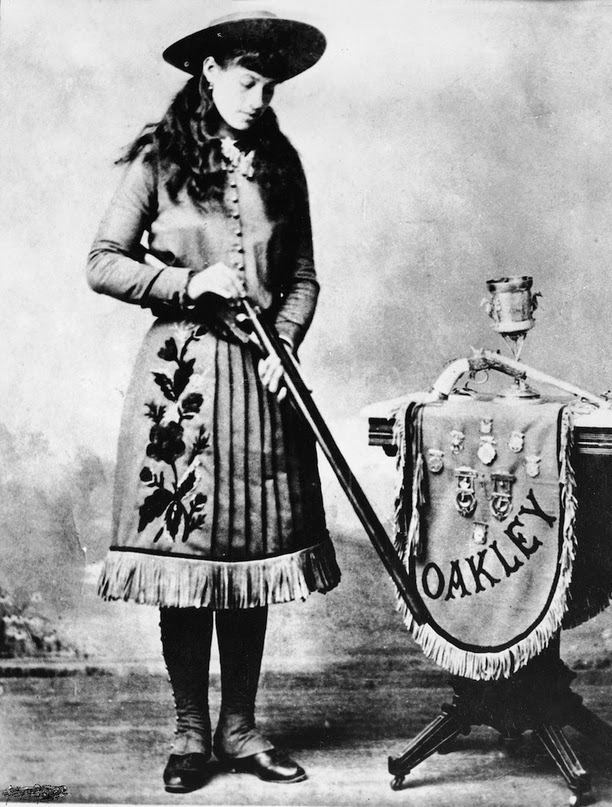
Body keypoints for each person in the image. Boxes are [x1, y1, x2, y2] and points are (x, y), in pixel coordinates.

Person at [86, 10, 340, 793]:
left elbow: (301, 274)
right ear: (208, 74)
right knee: (188, 566)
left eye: (269, 84)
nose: (260, 97)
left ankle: (241, 725)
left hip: (262, 386)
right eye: (246, 80)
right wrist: (187, 283)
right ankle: (191, 730)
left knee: (251, 561)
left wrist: (286, 341)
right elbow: (102, 262)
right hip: (180, 391)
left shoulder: (279, 163)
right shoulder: (160, 161)